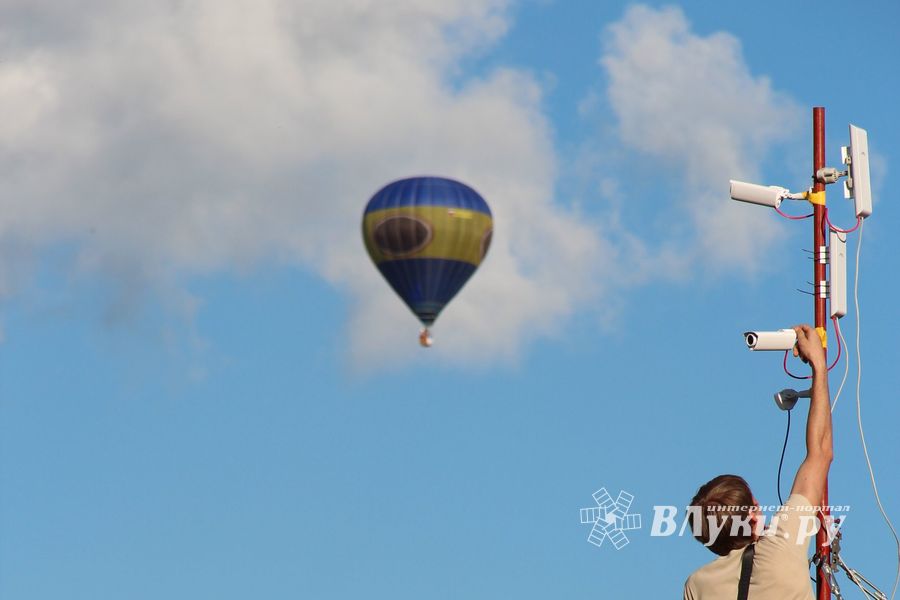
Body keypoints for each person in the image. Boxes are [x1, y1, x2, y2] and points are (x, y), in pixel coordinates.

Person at [684, 324, 832, 600]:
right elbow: (820, 453)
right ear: (753, 515)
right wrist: (819, 367)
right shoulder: (782, 546)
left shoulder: (697, 586)